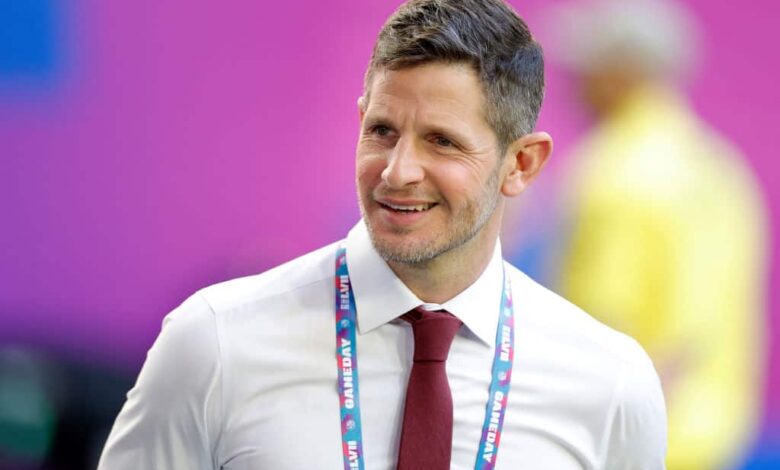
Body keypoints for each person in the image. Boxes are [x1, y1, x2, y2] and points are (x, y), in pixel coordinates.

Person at [98, 0, 666, 468]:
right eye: (382, 130)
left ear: (521, 165)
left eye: (441, 140)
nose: (397, 171)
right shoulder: (215, 343)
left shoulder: (610, 383)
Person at [542, 0, 769, 468]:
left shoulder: (611, 171)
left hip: (630, 445)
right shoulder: (722, 170)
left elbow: (598, 326)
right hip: (717, 442)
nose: (573, 83)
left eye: (588, 67)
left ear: (622, 73)